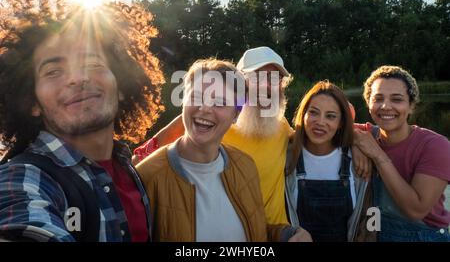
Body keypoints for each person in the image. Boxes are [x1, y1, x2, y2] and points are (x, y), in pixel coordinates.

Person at [0, 0, 164, 241]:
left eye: (92, 63)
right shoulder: (21, 179)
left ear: (121, 86)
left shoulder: (128, 169)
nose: (77, 78)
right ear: (32, 103)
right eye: (53, 71)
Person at [135, 46, 371, 225]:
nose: (268, 86)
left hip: (277, 234)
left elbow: (330, 127)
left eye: (275, 79)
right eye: (258, 77)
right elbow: (149, 158)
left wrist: (357, 144)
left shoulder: (281, 128)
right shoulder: (215, 126)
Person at [136, 58, 311, 242]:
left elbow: (251, 229)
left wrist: (288, 234)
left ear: (235, 114)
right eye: (196, 97)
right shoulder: (147, 177)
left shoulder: (248, 161)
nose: (204, 109)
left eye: (273, 79)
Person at [353, 65, 450, 242]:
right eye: (378, 99)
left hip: (424, 235)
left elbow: (416, 210)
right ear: (369, 104)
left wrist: (377, 155)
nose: (386, 106)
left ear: (411, 106)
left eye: (397, 99)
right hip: (378, 232)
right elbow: (337, 123)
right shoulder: (368, 136)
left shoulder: (435, 146)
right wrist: (354, 143)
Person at [285, 81, 368, 242]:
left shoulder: (357, 162)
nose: (320, 122)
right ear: (303, 115)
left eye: (330, 116)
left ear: (341, 123)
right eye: (314, 113)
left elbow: (369, 217)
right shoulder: (286, 158)